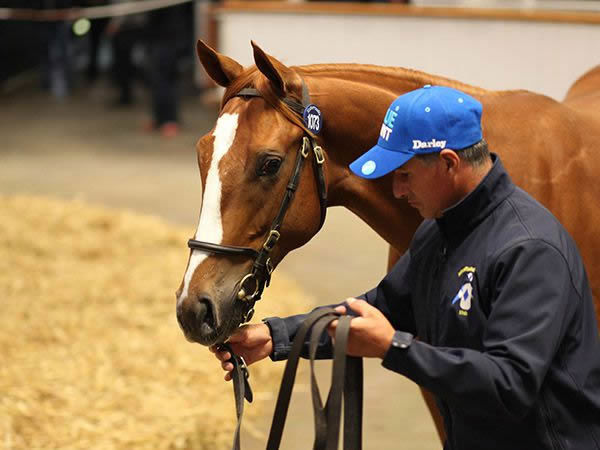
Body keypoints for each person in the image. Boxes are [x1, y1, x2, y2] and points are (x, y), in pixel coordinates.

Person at [211, 85, 600, 449]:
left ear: (449, 164)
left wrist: (393, 348)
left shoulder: (529, 250)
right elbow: (383, 307)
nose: (397, 190)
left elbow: (510, 385)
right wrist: (276, 337)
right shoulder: (439, 230)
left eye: (405, 174)